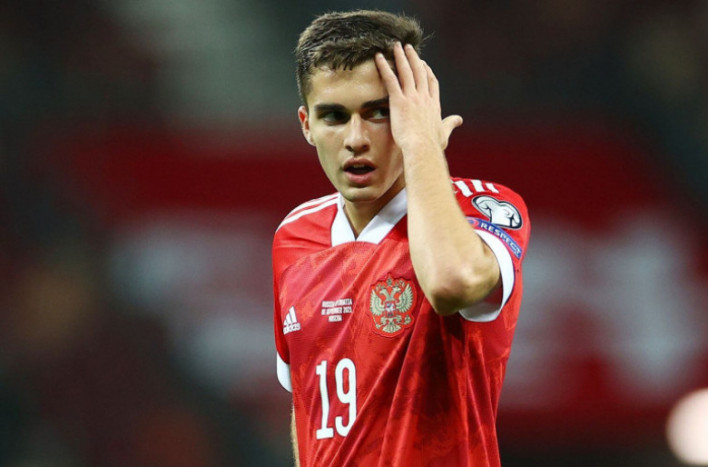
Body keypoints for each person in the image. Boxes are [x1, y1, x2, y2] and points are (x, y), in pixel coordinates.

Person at [272, 9, 530, 467]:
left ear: (416, 113)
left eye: (379, 113)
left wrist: (422, 146)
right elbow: (308, 403)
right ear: (307, 124)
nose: (356, 139)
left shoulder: (481, 208)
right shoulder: (294, 237)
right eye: (334, 116)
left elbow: (453, 283)